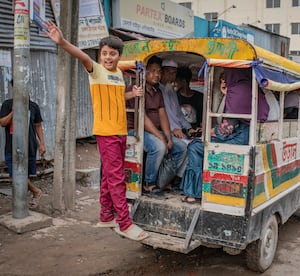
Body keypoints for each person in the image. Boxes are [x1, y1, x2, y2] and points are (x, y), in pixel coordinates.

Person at [44, 20, 148, 242]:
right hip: (106, 133)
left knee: (108, 177)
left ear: (119, 55)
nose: (108, 57)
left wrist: (133, 94)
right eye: (104, 53)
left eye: (112, 54)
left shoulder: (119, 74)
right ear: (100, 55)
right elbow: (81, 56)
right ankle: (125, 223)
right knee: (117, 177)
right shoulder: (96, 70)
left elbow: (118, 97)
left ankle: (106, 215)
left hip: (120, 132)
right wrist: (62, 42)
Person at [180, 67, 269, 204]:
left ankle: (193, 193)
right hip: (248, 136)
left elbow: (225, 130)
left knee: (195, 146)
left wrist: (206, 133)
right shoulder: (251, 88)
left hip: (239, 139)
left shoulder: (237, 92)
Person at [142, 56, 186, 198]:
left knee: (181, 147)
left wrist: (168, 137)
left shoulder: (158, 92)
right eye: (153, 71)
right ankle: (149, 185)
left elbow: (163, 115)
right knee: (159, 147)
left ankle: (164, 181)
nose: (157, 75)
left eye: (159, 71)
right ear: (144, 71)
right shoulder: (138, 89)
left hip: (157, 131)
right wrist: (162, 137)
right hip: (140, 131)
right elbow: (143, 119)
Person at [0, 97, 45, 209]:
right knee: (16, 174)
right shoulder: (8, 104)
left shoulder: (33, 106)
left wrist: (42, 144)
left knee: (26, 176)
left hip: (29, 146)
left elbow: (38, 125)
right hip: (12, 147)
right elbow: (2, 122)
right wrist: (14, 112)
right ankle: (36, 191)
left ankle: (22, 205)